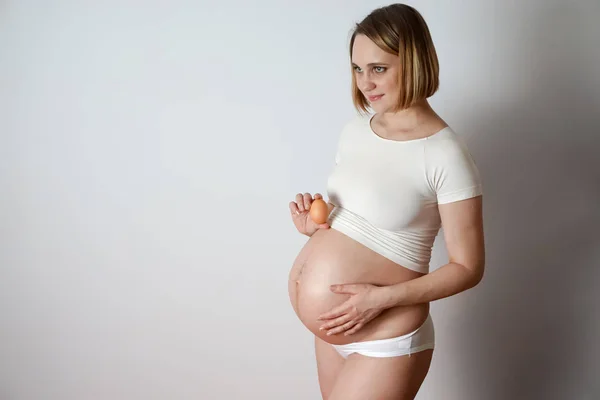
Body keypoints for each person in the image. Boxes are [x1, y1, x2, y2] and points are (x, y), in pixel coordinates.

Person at [287, 3, 485, 400]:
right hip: (333, 330)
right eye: (357, 69)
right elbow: (359, 221)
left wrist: (379, 299)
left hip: (386, 336)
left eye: (378, 68)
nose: (365, 83)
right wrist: (316, 227)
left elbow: (468, 267)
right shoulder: (355, 130)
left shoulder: (444, 153)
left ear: (413, 62)